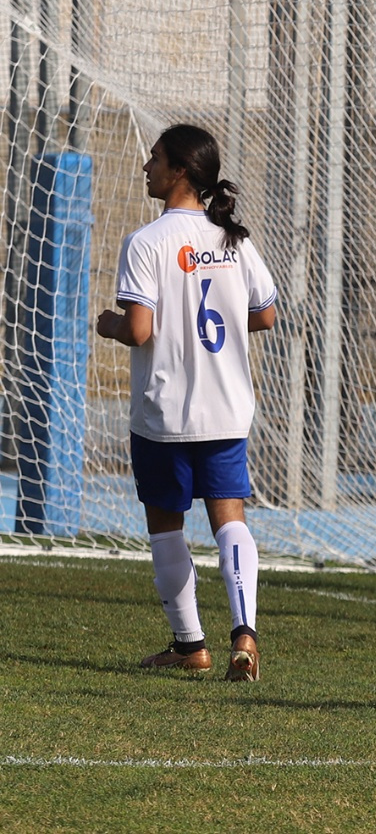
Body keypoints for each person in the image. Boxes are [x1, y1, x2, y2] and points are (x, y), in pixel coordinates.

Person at [96, 124, 278, 682]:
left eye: (154, 158)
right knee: (230, 521)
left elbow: (141, 330)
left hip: (166, 413)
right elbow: (266, 315)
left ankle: (190, 644)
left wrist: (109, 325)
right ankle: (243, 631)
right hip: (226, 408)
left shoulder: (147, 241)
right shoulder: (233, 240)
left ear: (178, 171)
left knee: (167, 528)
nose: (145, 167)